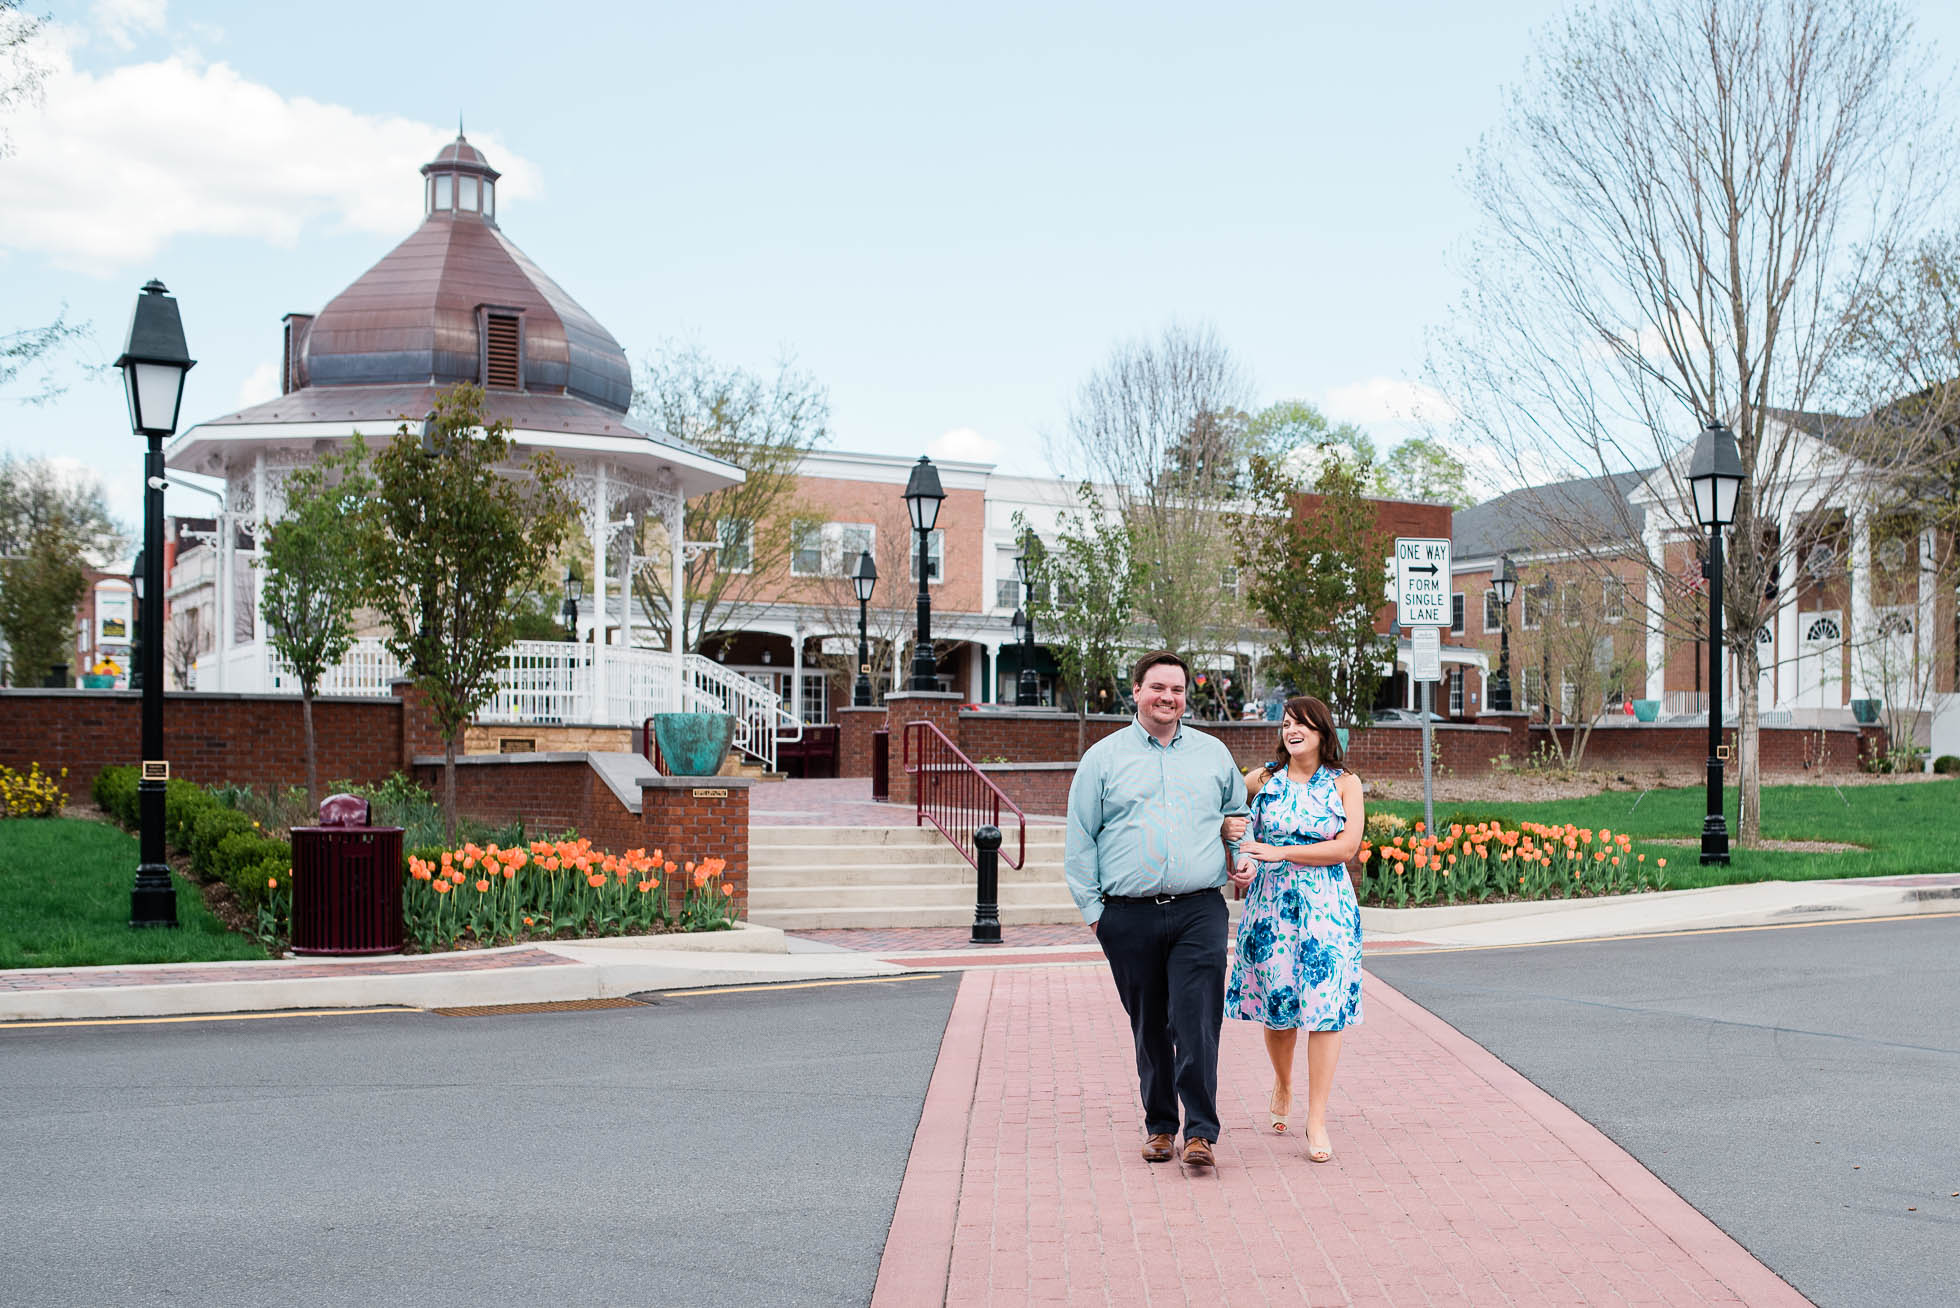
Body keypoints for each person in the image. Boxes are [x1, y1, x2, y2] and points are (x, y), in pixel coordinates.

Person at [1065, 650, 1248, 1169]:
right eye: (1158, 688)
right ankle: (1161, 1126)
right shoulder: (1102, 758)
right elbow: (1080, 839)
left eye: (1178, 689)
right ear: (1137, 692)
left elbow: (1240, 814)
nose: (1169, 697)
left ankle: (1201, 1133)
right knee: (1150, 1025)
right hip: (1129, 915)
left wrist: (1242, 856)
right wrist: (1097, 916)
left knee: (1196, 1021)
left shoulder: (1213, 754)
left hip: (1199, 910)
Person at [1224, 694, 1364, 1163]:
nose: (1292, 731)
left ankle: (1317, 1118)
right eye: (1286, 724)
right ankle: (1283, 1084)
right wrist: (1239, 853)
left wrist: (1281, 852)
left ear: (1323, 732)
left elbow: (1346, 848)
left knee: (1325, 1011)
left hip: (1327, 907)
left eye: (1302, 724)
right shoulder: (1263, 779)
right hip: (1271, 907)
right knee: (1280, 1008)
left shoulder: (1345, 784)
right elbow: (1229, 815)